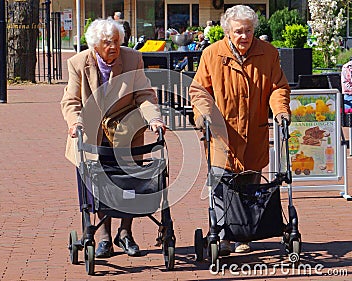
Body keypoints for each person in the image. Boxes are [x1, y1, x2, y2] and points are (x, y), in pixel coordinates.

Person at [189, 5, 290, 256]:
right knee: (221, 184)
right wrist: (203, 114)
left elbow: (278, 87)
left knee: (250, 185)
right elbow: (199, 90)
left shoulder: (268, 53)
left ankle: (244, 234)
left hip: (254, 133)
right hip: (223, 134)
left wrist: (280, 111)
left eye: (248, 31)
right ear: (227, 32)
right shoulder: (212, 54)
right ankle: (223, 235)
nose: (244, 36)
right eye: (238, 31)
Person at [61, 18, 165, 259]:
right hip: (91, 130)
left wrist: (154, 118)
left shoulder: (132, 59)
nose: (114, 47)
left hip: (125, 131)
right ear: (95, 45)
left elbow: (144, 94)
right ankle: (105, 237)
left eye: (117, 41)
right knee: (100, 185)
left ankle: (125, 234)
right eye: (108, 43)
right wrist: (74, 122)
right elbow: (71, 100)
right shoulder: (78, 63)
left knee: (129, 183)